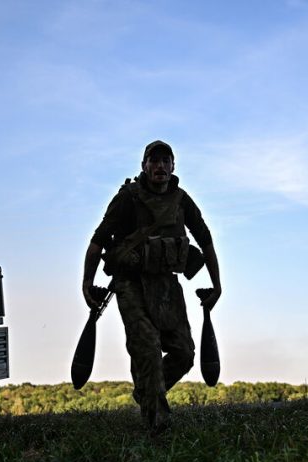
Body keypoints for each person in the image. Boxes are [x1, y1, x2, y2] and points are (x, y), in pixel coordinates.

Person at [81, 140, 221, 433]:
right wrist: (87, 283)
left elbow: (205, 240)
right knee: (147, 349)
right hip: (130, 283)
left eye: (165, 161)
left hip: (166, 284)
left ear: (173, 166)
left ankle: (146, 392)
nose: (159, 166)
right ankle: (158, 429)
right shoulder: (127, 198)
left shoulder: (182, 201)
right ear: (144, 166)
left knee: (184, 354)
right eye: (153, 161)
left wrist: (217, 285)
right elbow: (97, 241)